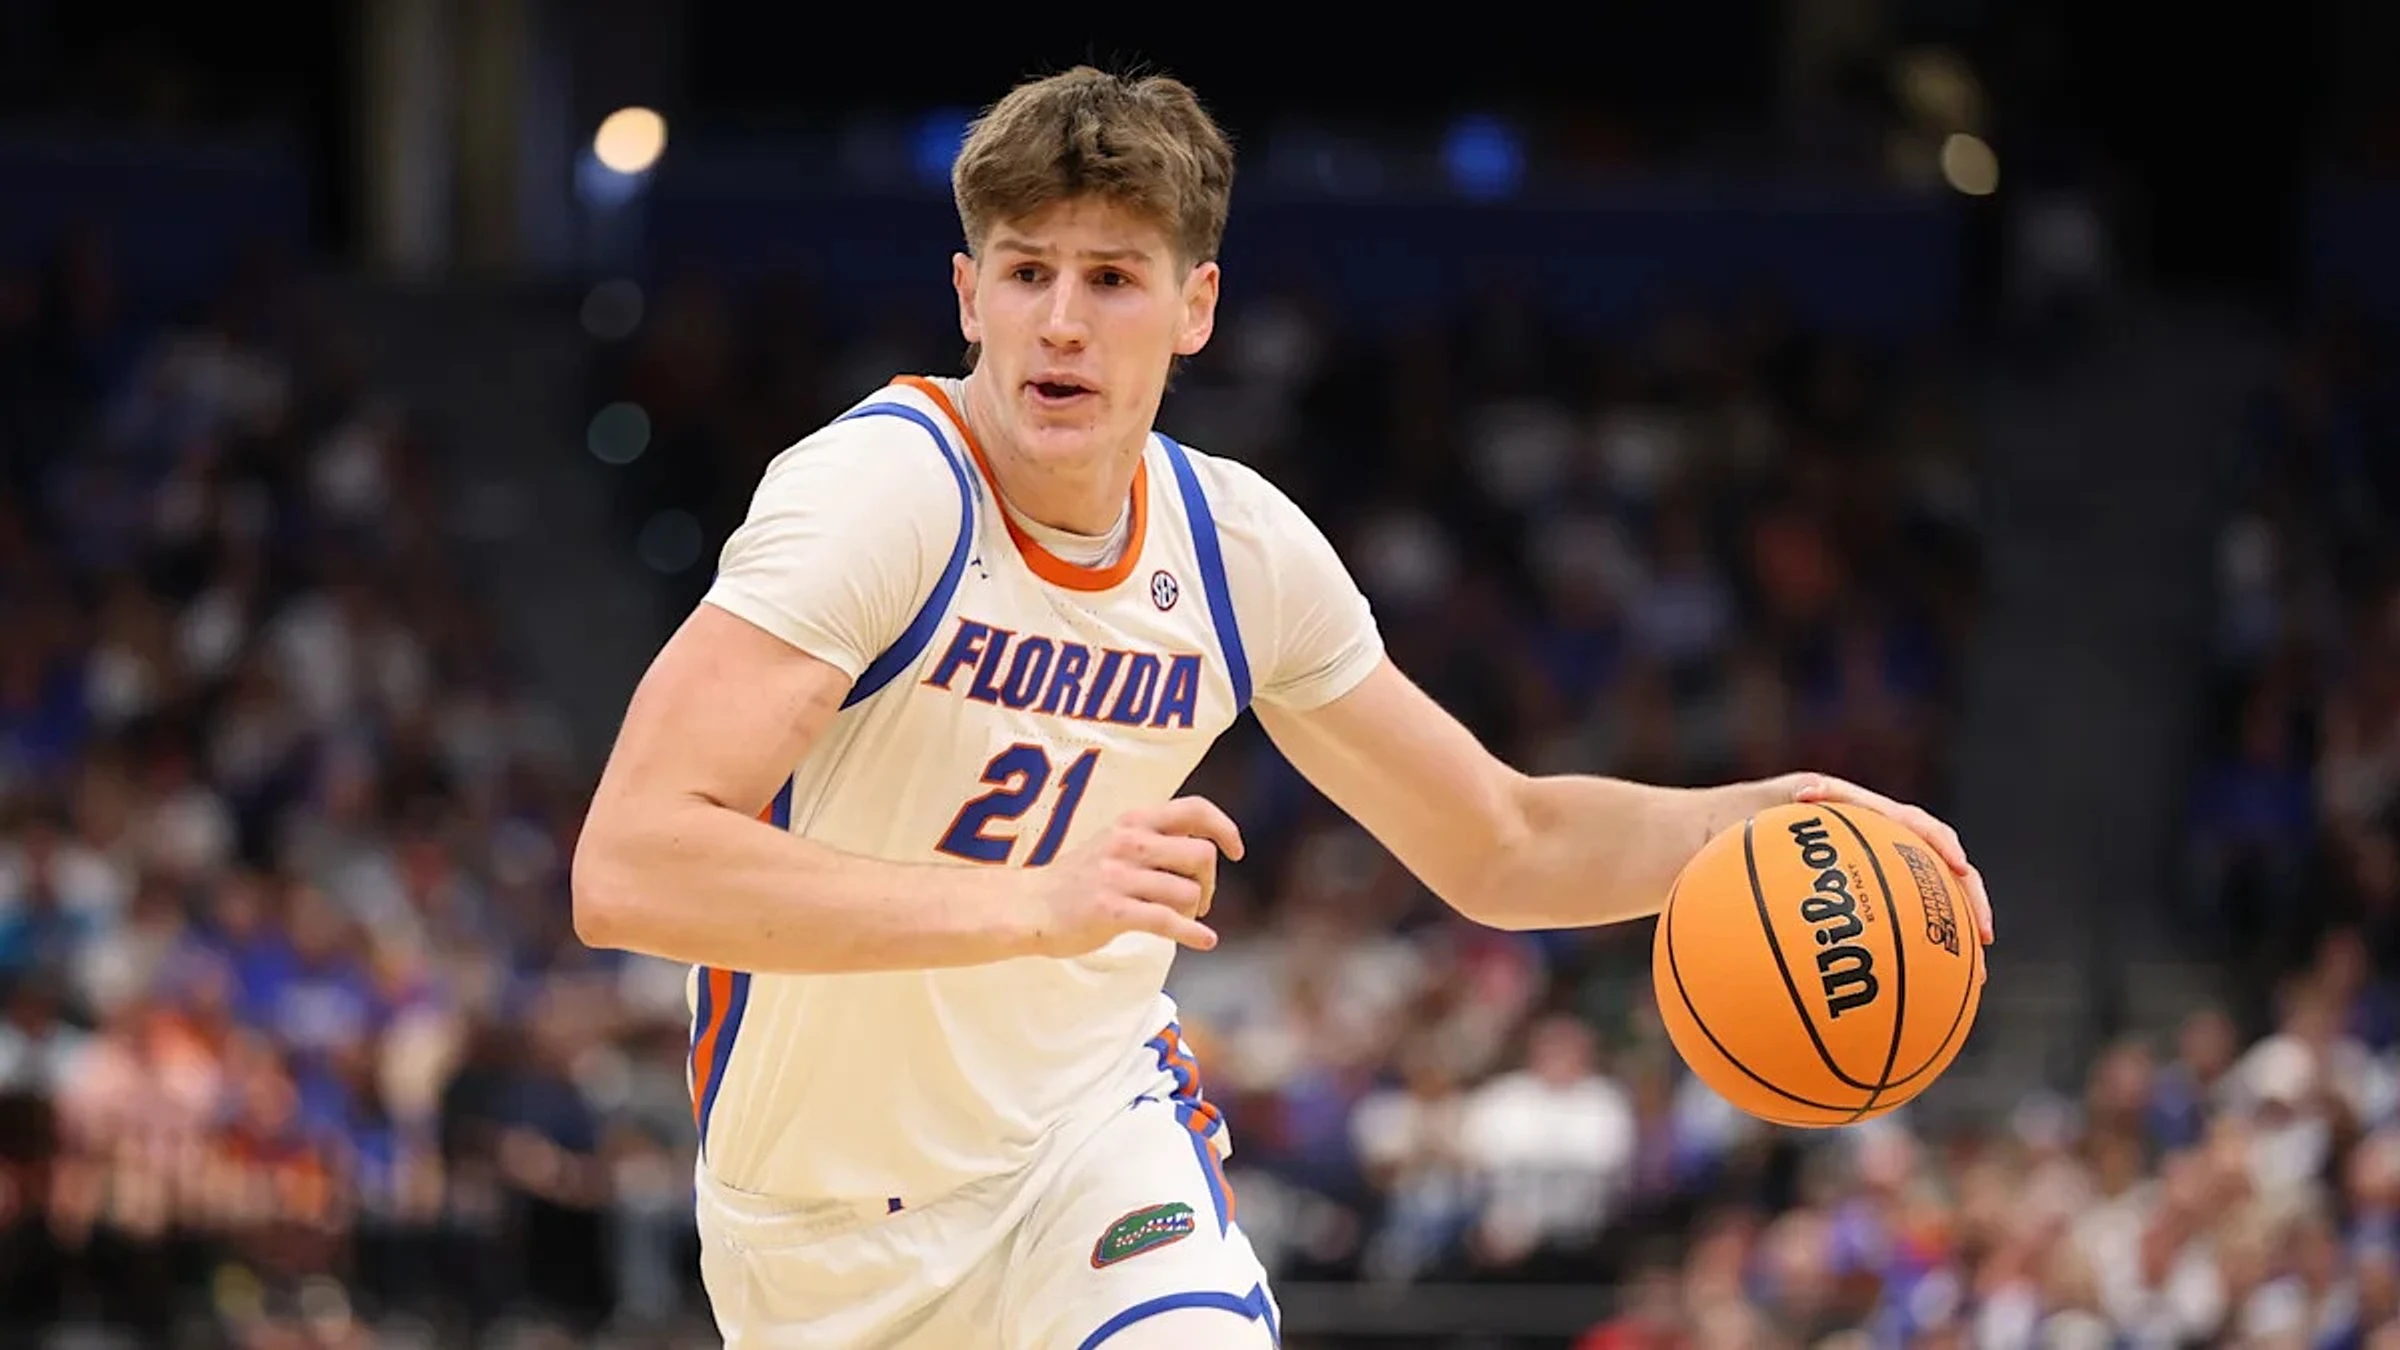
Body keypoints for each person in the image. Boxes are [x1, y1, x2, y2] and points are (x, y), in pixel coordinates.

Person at [570, 64, 1995, 1350]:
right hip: (817, 1228)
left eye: (1113, 278)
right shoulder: (881, 496)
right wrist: (1030, 903)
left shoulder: (1237, 551)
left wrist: (1756, 819)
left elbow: (1499, 840)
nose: (1061, 322)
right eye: (1026, 272)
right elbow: (629, 866)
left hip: (1087, 1148)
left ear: (1195, 306)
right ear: (967, 294)